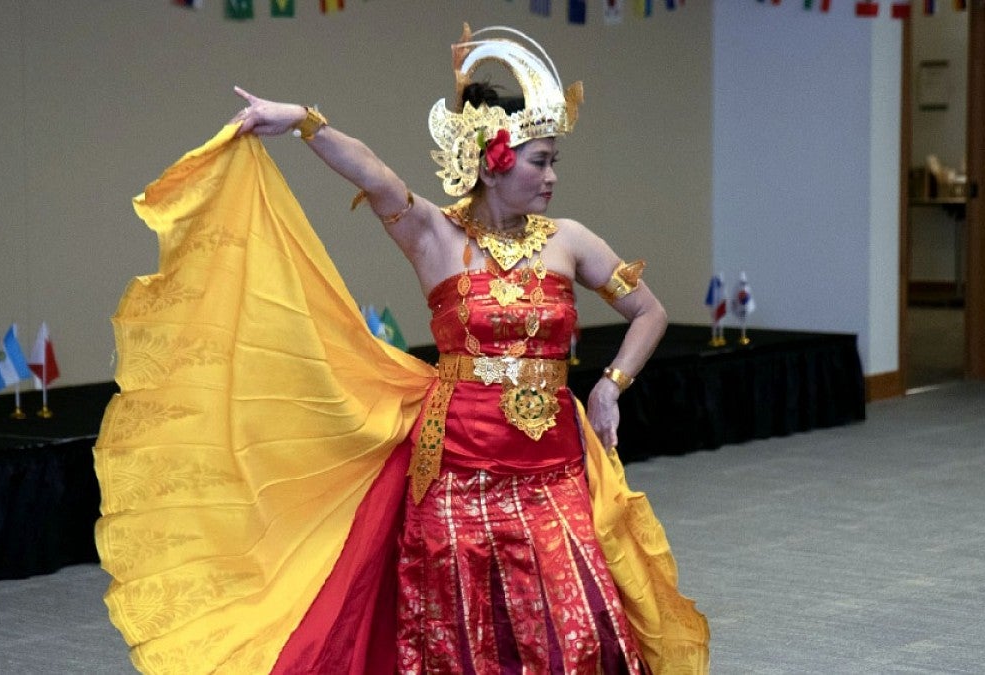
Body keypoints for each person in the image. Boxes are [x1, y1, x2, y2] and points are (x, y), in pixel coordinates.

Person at [95, 24, 708, 675]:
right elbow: (377, 175)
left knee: (573, 619)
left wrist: (611, 384)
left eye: (556, 160)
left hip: (552, 461)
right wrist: (305, 121)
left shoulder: (571, 240)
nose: (553, 175)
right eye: (539, 160)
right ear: (493, 161)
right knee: (455, 626)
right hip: (458, 464)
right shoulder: (434, 237)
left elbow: (649, 311)